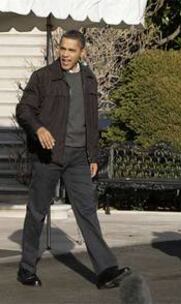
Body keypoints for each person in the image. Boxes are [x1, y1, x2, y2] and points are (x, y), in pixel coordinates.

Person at [15, 30, 130, 288]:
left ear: (82, 52)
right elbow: (24, 109)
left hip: (79, 157)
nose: (65, 55)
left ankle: (105, 271)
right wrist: (39, 128)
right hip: (49, 155)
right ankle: (26, 268)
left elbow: (91, 119)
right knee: (37, 211)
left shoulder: (89, 79)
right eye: (62, 49)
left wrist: (93, 155)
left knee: (88, 211)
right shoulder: (44, 77)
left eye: (71, 50)